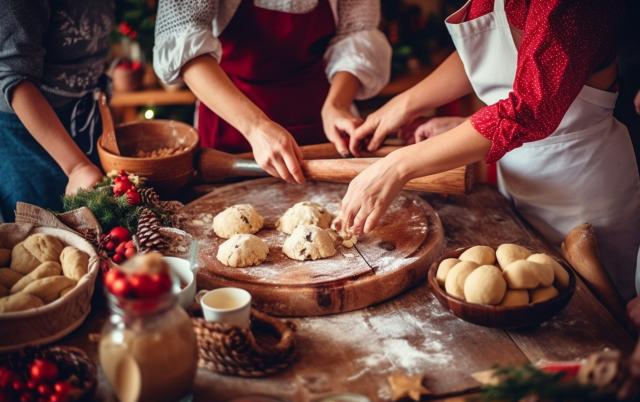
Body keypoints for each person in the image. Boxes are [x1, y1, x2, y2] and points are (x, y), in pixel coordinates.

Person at [337, 0, 640, 300]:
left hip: (584, 194)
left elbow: (528, 110)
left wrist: (398, 165)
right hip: (521, 184)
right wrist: (403, 105)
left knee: (599, 328)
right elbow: (494, 51)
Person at [153, 0, 391, 184]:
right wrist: (256, 127)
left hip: (321, 115)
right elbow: (183, 43)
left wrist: (337, 105)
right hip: (232, 118)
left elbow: (356, 33)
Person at [0, 0, 114, 222]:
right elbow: (12, 75)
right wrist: (76, 165)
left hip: (82, 116)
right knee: (42, 233)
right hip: (27, 131)